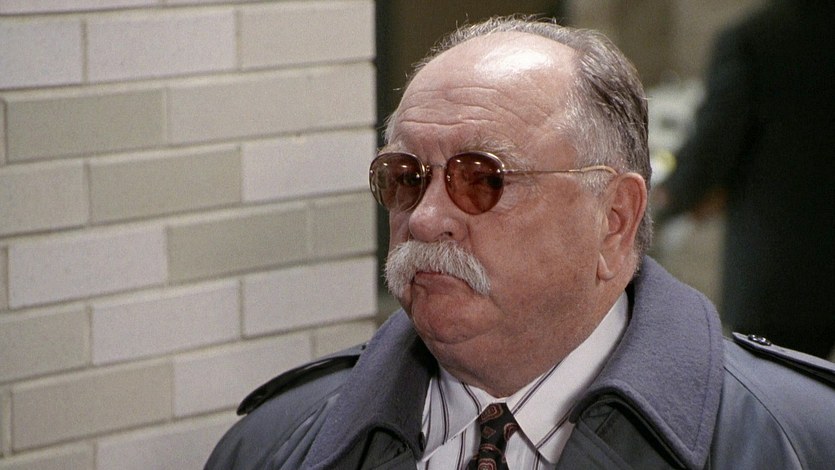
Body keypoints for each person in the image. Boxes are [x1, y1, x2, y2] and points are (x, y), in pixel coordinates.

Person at [205, 16, 835, 470]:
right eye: (406, 177)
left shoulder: (799, 440)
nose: (424, 219)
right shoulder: (271, 446)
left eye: (481, 179)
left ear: (614, 219)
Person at [653, 0, 835, 358]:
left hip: (781, 271)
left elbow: (716, 142)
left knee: (775, 385)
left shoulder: (756, 39)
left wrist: (670, 196)